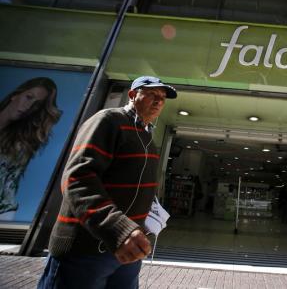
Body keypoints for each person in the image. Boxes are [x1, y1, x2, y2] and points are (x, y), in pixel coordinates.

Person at [38, 76, 177, 289]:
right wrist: (118, 229)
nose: (159, 101)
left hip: (127, 251)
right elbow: (78, 179)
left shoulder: (147, 136)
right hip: (86, 251)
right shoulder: (108, 120)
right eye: (151, 94)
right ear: (132, 95)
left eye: (162, 98)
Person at [0, 77, 61, 220]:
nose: (28, 106)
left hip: (3, 212)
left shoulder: (24, 141)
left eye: (37, 104)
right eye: (28, 97)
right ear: (16, 94)